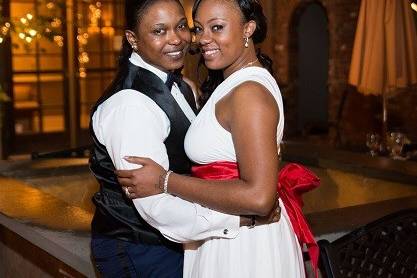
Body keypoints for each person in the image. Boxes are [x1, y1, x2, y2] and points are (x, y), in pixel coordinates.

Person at [116, 0, 320, 277]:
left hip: (245, 247)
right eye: (199, 29)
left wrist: (165, 181)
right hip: (230, 234)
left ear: (248, 28)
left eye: (217, 27)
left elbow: (260, 197)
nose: (203, 39)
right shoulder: (237, 83)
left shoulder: (248, 92)